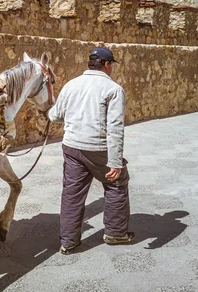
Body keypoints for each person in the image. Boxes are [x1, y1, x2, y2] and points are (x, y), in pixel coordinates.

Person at [47, 47, 134, 254]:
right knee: (116, 183)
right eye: (111, 64)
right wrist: (114, 161)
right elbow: (115, 128)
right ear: (106, 65)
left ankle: (68, 242)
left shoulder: (71, 84)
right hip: (98, 149)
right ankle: (115, 232)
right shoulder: (113, 89)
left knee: (72, 194)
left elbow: (55, 115)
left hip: (71, 146)